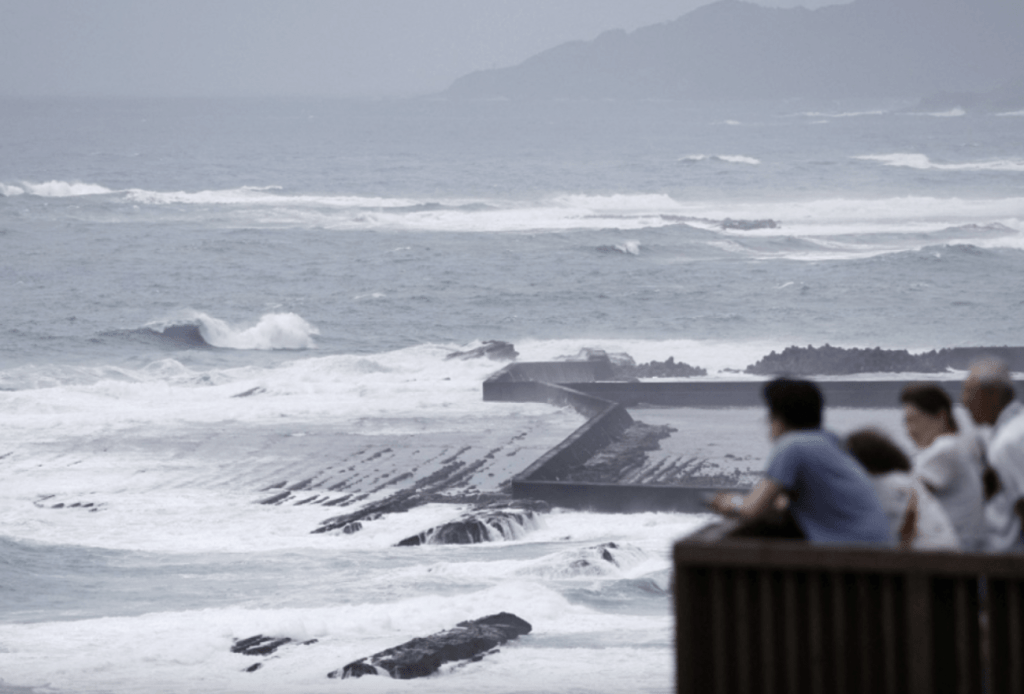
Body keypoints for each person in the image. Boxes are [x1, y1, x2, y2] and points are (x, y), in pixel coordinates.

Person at [711, 377, 892, 545]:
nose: (766, 423)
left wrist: (728, 501)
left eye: (770, 416)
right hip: (878, 551)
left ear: (780, 419)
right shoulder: (829, 440)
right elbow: (792, 501)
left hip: (852, 558)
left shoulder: (792, 446)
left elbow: (751, 508)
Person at [901, 383, 986, 551]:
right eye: (906, 422)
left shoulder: (944, 449)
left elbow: (909, 506)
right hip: (967, 552)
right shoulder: (964, 444)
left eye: (914, 420)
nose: (909, 431)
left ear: (941, 416)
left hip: (947, 557)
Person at [846, 429, 960, 551]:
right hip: (945, 548)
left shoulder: (889, 483)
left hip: (928, 553)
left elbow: (906, 520)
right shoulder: (905, 480)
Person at [962, 359, 1024, 552]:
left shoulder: (1007, 443)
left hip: (1008, 569)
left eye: (969, 392)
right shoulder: (1016, 428)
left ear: (991, 395)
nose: (963, 401)